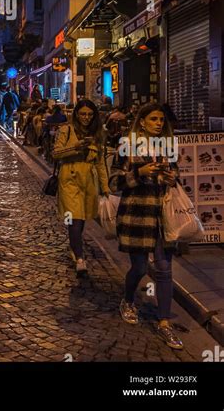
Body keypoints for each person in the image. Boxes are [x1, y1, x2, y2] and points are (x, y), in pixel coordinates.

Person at [109, 103, 183, 350]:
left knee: (163, 269)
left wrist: (171, 178)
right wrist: (139, 172)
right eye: (153, 119)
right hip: (137, 215)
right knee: (139, 267)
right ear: (142, 121)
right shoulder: (126, 146)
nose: (159, 123)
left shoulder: (168, 146)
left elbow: (175, 174)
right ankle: (128, 300)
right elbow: (113, 183)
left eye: (161, 119)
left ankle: (164, 323)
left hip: (162, 216)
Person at [52, 99, 109, 277]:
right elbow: (56, 153)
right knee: (74, 218)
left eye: (90, 114)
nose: (86, 117)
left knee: (82, 217)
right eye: (83, 114)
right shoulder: (66, 130)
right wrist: (75, 147)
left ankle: (74, 245)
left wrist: (105, 186)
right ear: (76, 114)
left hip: (89, 180)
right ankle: (80, 258)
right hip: (69, 178)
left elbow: (100, 163)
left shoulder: (98, 134)